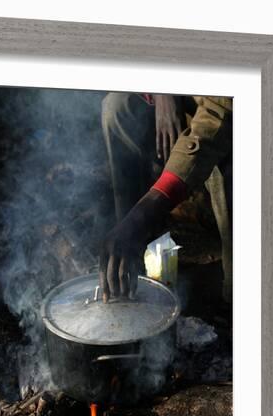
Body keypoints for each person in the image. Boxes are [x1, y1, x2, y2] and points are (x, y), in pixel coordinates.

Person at [99, 92, 233, 303]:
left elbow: (220, 114)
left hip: (224, 110)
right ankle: (127, 252)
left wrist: (148, 209)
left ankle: (237, 293)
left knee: (229, 152)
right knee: (116, 109)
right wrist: (162, 90)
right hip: (180, 96)